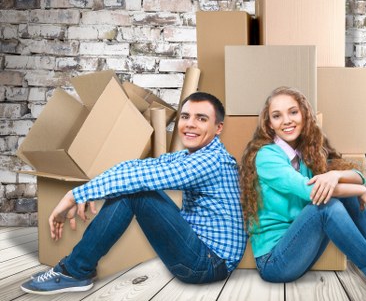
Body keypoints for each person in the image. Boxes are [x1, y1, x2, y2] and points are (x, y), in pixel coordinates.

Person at [21, 92, 247, 295]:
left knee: (135, 192)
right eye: (185, 116)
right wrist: (86, 191)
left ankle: (75, 270)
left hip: (207, 265)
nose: (190, 124)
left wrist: (74, 195)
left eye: (201, 118)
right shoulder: (191, 155)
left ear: (218, 127)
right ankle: (77, 269)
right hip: (201, 252)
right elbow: (134, 168)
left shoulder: (210, 161)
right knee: (131, 184)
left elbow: (141, 179)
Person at [239, 86, 366, 297]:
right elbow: (310, 191)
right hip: (275, 262)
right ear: (270, 125)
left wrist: (335, 176)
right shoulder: (267, 156)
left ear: (304, 114)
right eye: (277, 116)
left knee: (342, 193)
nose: (287, 120)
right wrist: (360, 190)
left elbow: (356, 173)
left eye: (293, 112)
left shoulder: (306, 152)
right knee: (326, 205)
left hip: (301, 249)